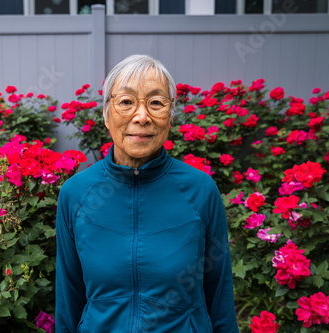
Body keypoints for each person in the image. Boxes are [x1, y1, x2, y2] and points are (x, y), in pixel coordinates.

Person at [56, 54, 239, 332]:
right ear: (107, 114)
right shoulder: (77, 194)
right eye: (126, 102)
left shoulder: (200, 191)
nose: (142, 117)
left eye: (156, 103)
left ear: (170, 115)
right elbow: (68, 299)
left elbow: (220, 296)